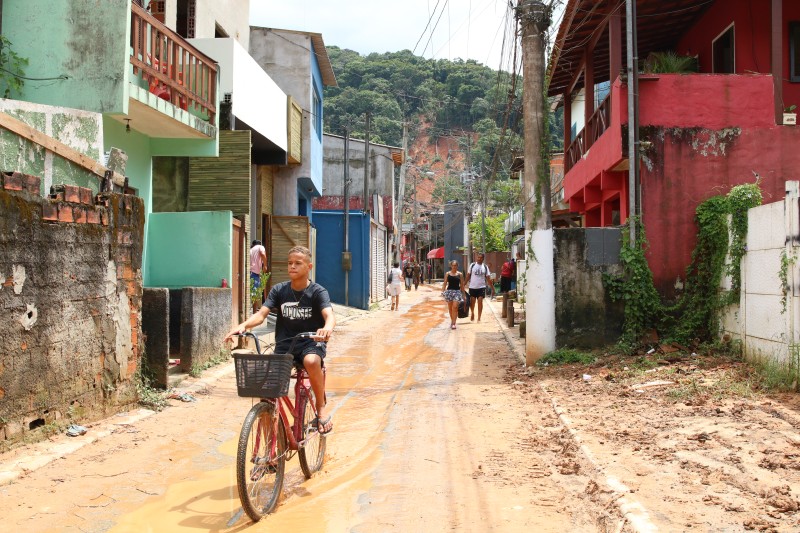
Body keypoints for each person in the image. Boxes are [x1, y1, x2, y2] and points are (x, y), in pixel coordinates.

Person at [225, 246, 335, 435]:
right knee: (266, 389)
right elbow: (261, 315)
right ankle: (270, 445)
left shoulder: (318, 292)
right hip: (285, 345)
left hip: (311, 342)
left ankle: (321, 406)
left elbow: (329, 315)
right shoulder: (279, 290)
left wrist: (326, 329)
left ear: (309, 266)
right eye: (289, 263)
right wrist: (243, 326)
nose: (292, 266)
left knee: (310, 361)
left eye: (297, 263)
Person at [465, 252, 492, 322]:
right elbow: (468, 275)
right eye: (478, 257)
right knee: (472, 302)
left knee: (480, 301)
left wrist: (492, 288)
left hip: (481, 287)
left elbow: (488, 278)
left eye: (481, 258)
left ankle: (479, 317)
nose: (479, 259)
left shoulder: (485, 267)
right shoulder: (472, 265)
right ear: (476, 258)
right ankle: (472, 313)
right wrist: (463, 284)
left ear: (483, 259)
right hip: (472, 287)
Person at [441, 260, 465, 330]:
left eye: (455, 265)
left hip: (457, 292)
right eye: (453, 265)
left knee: (455, 307)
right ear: (451, 266)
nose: (454, 267)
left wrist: (463, 294)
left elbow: (462, 285)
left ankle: (454, 323)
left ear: (457, 266)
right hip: (449, 292)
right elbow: (445, 283)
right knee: (450, 308)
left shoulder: (460, 274)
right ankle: (452, 321)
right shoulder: (447, 274)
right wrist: (442, 291)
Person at [249, 240, 268, 314]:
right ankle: (254, 312)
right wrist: (265, 265)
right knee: (255, 293)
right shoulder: (260, 247)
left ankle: (254, 311)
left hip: (250, 272)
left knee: (253, 292)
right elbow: (263, 254)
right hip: (254, 273)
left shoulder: (251, 250)